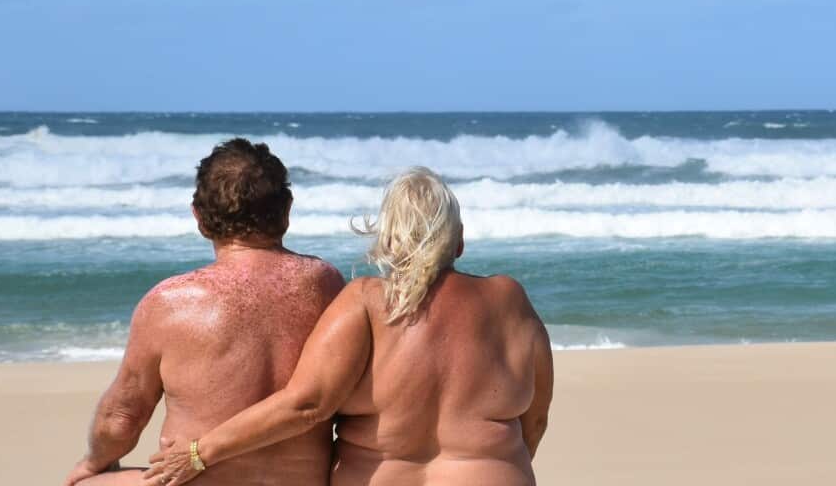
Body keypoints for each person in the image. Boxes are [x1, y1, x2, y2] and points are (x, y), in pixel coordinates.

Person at [145, 167, 554, 486]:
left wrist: (200, 452)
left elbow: (306, 405)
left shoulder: (364, 302)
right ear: (459, 241)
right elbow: (534, 421)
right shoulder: (509, 300)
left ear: (389, 241)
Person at [64, 138, 344, 486]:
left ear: (199, 216)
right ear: (286, 209)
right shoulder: (328, 284)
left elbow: (123, 417)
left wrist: (94, 462)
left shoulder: (169, 303)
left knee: (82, 484)